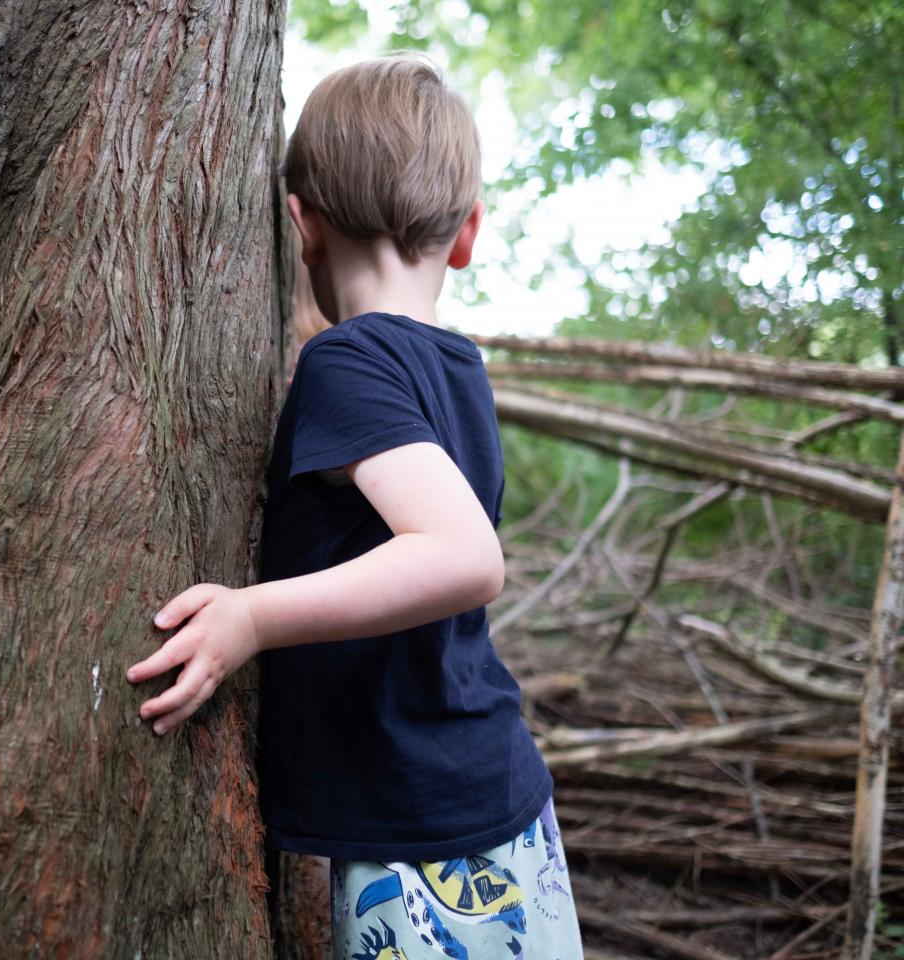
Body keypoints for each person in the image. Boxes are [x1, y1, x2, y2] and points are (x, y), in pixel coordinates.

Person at [125, 53, 583, 959]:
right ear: (468, 234)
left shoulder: (349, 364)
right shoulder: (451, 371)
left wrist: (253, 616)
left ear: (301, 225)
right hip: (483, 806)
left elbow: (462, 556)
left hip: (429, 837)